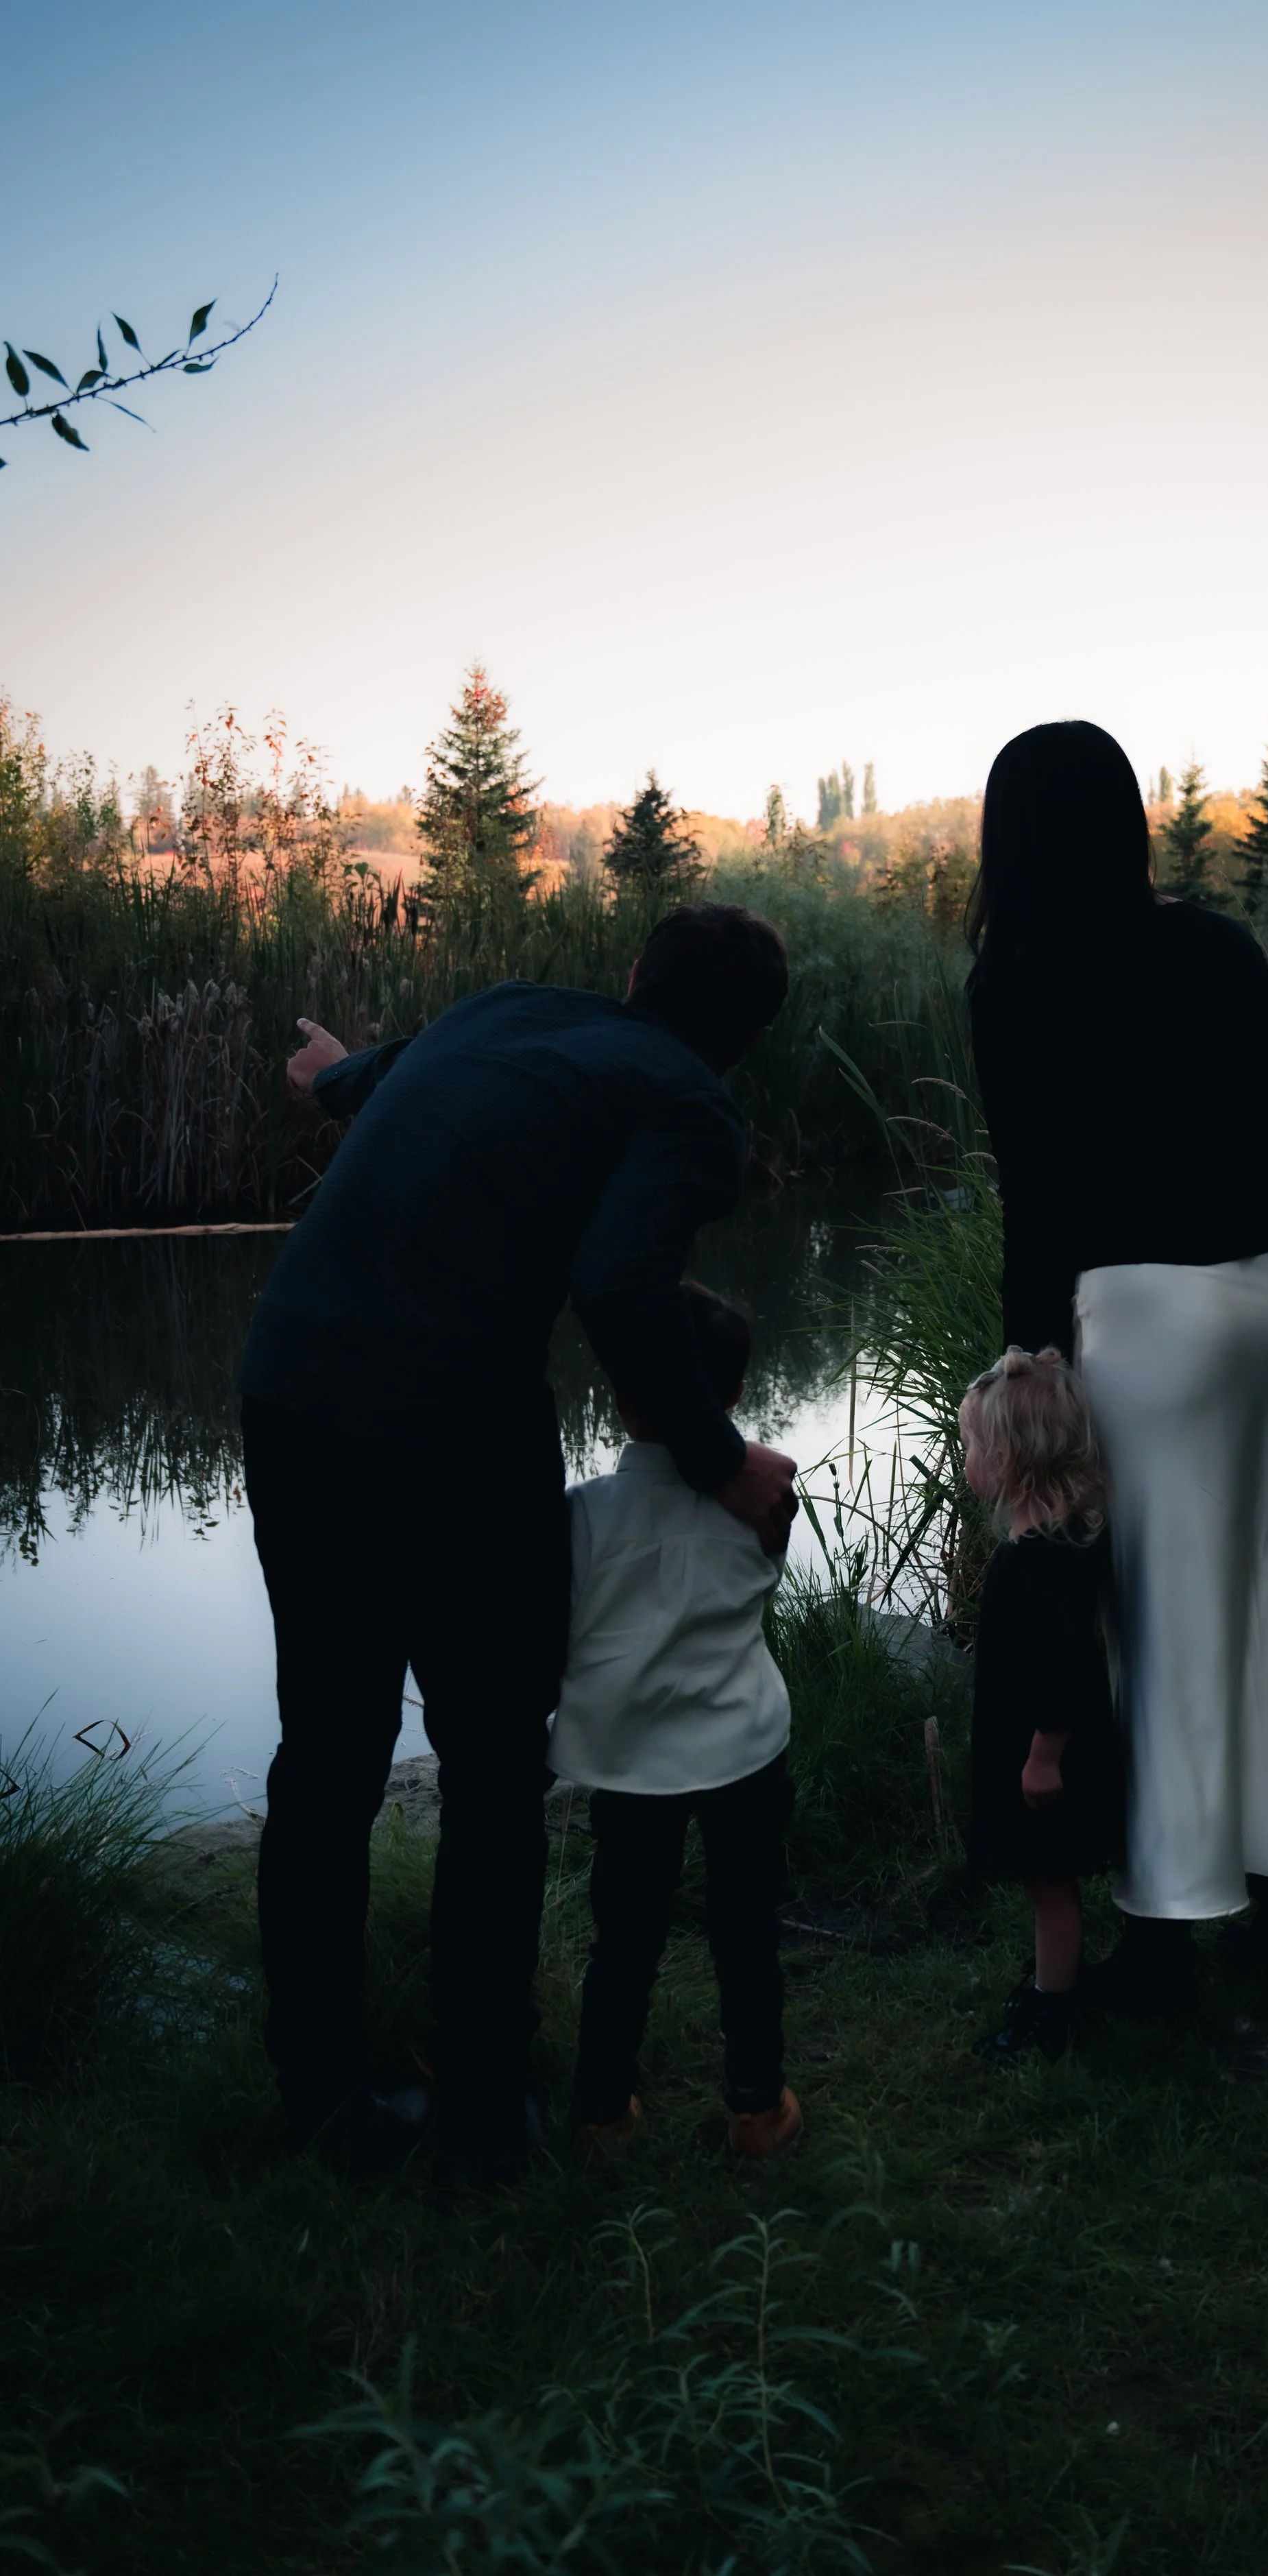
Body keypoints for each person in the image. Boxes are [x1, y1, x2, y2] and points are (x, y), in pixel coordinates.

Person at [239, 903, 798, 2184]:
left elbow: (373, 1077)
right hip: (447, 1414)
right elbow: (617, 1281)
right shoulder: (689, 1107)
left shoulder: (504, 1009)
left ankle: (321, 2098)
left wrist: (330, 1074)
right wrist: (722, 1463)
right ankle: (484, 2103)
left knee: (327, 1750)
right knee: (493, 1759)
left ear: (633, 973)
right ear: (743, 1045)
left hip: (292, 1377)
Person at [966, 722, 1268, 2035]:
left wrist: (1029, 1353)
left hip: (1150, 1315)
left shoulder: (1016, 976)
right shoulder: (1221, 947)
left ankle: (1168, 1947)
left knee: (1155, 1632)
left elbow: (1038, 1196)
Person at [552, 1282, 803, 2161]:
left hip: (628, 1763)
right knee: (745, 1933)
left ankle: (601, 2111)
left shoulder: (581, 1516)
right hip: (742, 1748)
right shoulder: (768, 1506)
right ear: (731, 1399)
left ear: (617, 1399)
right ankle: (756, 2105)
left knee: (623, 1942)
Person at [961, 1346, 1125, 2065]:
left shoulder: (1040, 1560)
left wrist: (1042, 1754)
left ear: (1012, 1460)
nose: (964, 1460)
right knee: (1042, 1881)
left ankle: (1053, 2012)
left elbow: (1066, 1664)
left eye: (971, 1445)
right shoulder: (1056, 1543)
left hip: (1042, 1755)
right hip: (1029, 1744)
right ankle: (1047, 1987)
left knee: (1049, 1884)